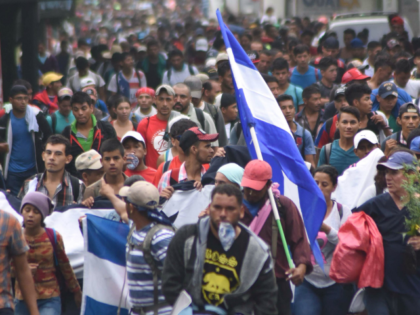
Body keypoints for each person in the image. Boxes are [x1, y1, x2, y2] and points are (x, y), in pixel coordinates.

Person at [162, 184, 278, 315]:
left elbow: (267, 302)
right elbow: (169, 283)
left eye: (230, 209)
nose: (223, 214)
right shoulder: (187, 237)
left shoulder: (257, 251)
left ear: (241, 212)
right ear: (209, 208)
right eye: (217, 207)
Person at [239, 160, 312, 315]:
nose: (250, 193)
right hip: (239, 282)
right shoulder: (232, 205)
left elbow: (299, 239)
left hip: (275, 284)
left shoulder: (282, 206)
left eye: (256, 189)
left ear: (268, 185)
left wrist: (301, 267)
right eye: (247, 188)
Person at [354, 152, 420, 315]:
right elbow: (351, 232)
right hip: (378, 287)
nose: (388, 177)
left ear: (411, 174)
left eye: (394, 172)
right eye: (386, 172)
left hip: (412, 287)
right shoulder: (375, 205)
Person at [293, 165, 353, 315]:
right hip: (307, 281)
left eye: (324, 184)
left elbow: (348, 245)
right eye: (315, 183)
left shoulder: (342, 212)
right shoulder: (301, 210)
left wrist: (326, 229)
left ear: (334, 187)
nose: (318, 188)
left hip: (336, 284)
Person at [15, 192, 82, 315]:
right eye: (27, 210)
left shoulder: (53, 237)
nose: (30, 215)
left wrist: (76, 291)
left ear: (43, 215)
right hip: (21, 298)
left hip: (49, 297)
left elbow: (65, 265)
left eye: (36, 211)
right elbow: (5, 267)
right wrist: (23, 270)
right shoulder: (15, 236)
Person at [120, 181, 174, 315]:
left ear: (131, 207)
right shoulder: (135, 228)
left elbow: (181, 277)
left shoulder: (161, 237)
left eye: (126, 201)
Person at [0, 85, 52, 196]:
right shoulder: (5, 121)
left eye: (25, 98)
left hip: (33, 170)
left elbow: (49, 136)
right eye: (19, 98)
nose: (23, 102)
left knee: (33, 203)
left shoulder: (37, 117)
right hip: (12, 173)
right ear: (11, 100)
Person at [18, 135, 85, 208]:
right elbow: (20, 212)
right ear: (43, 156)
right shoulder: (30, 183)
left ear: (68, 159)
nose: (52, 158)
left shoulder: (78, 186)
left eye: (58, 154)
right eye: (49, 153)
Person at [62, 91, 116, 177]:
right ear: (72, 111)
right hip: (76, 182)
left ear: (91, 108)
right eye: (76, 109)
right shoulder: (67, 133)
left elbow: (114, 154)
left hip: (103, 178)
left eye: (83, 108)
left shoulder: (106, 128)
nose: (80, 113)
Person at [158, 127, 218, 198]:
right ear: (194, 149)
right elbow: (158, 207)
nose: (212, 150)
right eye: (207, 147)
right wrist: (162, 198)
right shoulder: (168, 177)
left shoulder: (213, 177)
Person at [137, 85, 180, 168]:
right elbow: (139, 152)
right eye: (161, 99)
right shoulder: (145, 124)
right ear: (155, 100)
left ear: (174, 101)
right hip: (152, 176)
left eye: (168, 99)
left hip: (174, 175)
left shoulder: (180, 123)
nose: (164, 104)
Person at [153, 118, 198, 186]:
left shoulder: (206, 166)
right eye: (181, 138)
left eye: (191, 137)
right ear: (173, 141)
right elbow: (156, 194)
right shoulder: (164, 167)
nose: (186, 142)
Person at [318, 107, 360, 175]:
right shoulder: (327, 150)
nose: (349, 126)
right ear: (337, 124)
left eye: (352, 122)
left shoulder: (364, 151)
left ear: (359, 124)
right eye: (345, 122)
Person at [83, 138, 127, 203]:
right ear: (101, 161)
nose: (112, 162)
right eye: (107, 159)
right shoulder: (92, 190)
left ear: (124, 160)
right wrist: (86, 204)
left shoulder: (134, 186)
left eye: (116, 158)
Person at [278, 94, 316, 168]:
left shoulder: (305, 134)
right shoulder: (274, 133)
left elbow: (310, 163)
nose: (288, 111)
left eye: (290, 107)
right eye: (283, 108)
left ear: (294, 109)